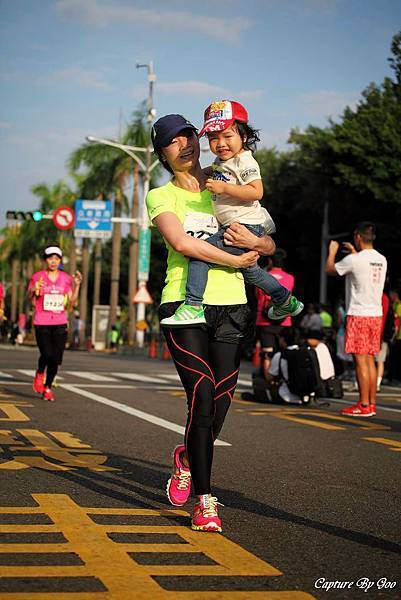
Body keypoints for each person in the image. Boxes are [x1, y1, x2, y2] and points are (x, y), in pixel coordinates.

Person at [147, 113, 275, 533]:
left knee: (219, 403)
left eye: (188, 135)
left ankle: (186, 456)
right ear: (162, 152)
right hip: (185, 304)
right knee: (201, 396)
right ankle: (205, 500)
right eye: (172, 140)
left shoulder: (227, 180)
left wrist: (256, 244)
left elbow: (269, 239)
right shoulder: (160, 196)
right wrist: (237, 259)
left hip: (233, 304)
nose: (184, 144)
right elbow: (182, 244)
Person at [161, 100, 303, 328]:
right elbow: (215, 171)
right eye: (214, 138)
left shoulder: (245, 160)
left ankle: (193, 305)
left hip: (243, 227)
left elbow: (257, 191)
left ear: (244, 137)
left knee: (200, 255)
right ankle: (285, 300)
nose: (221, 143)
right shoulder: (224, 161)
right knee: (251, 272)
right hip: (240, 227)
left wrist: (224, 188)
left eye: (228, 136)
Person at [325, 222, 387, 416]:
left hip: (358, 314)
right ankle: (371, 403)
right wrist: (354, 253)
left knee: (360, 362)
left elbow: (330, 269)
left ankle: (363, 404)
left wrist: (332, 251)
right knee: (370, 360)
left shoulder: (354, 260)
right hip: (375, 315)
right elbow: (363, 268)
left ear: (358, 237)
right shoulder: (381, 259)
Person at [28, 246, 82, 401]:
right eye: (50, 258)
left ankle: (48, 387)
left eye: (56, 258)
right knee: (47, 354)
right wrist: (34, 289)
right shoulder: (38, 277)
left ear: (59, 261)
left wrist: (77, 285)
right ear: (46, 260)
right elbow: (30, 297)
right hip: (42, 321)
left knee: (56, 358)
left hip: (60, 322)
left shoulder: (66, 278)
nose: (53, 261)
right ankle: (40, 372)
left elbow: (72, 301)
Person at [255, 248, 296, 380]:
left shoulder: (262, 276)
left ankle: (269, 383)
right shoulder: (290, 278)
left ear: (270, 261)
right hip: (284, 321)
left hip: (265, 320)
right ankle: (283, 381)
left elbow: (257, 295)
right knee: (284, 352)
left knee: (267, 353)